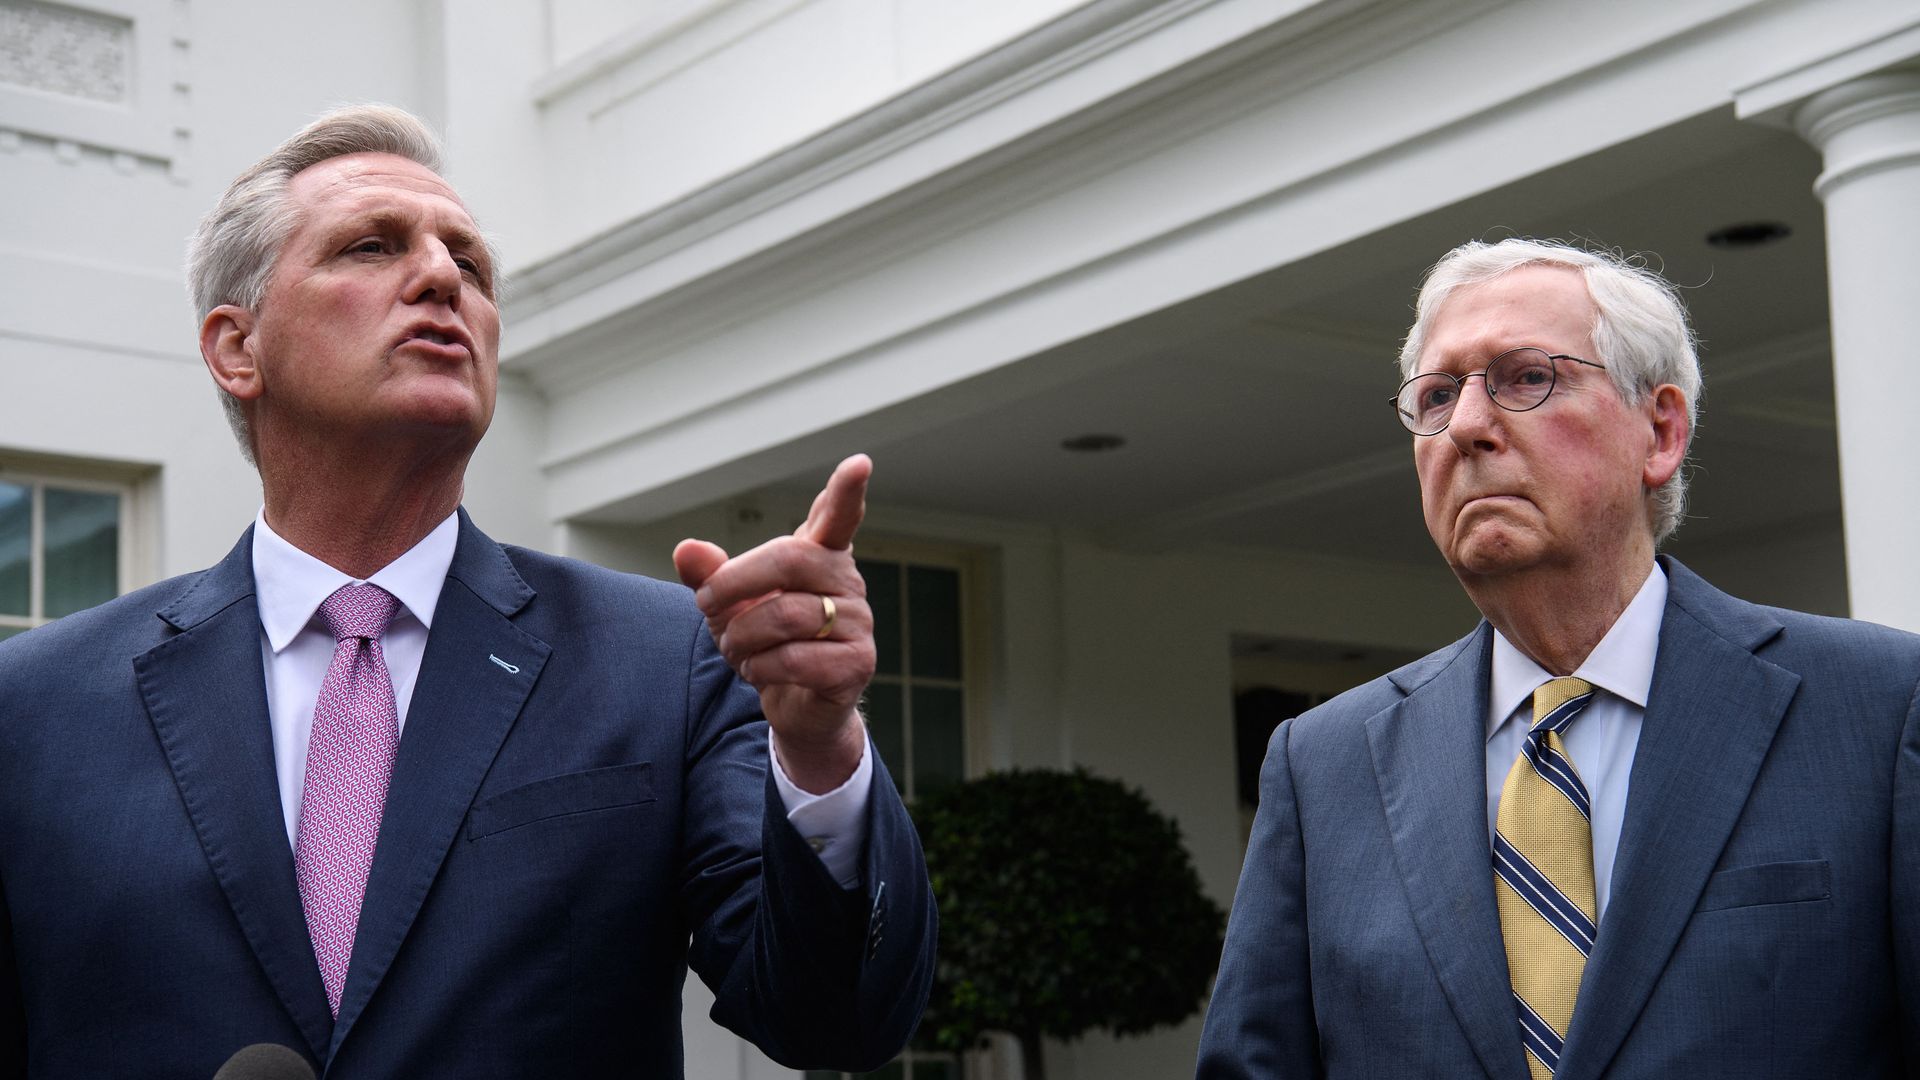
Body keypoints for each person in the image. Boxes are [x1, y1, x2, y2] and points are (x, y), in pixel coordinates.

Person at [0, 105, 935, 1079]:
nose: (444, 277)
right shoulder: (29, 709)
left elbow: (838, 1020)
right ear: (238, 349)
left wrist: (822, 749)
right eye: (370, 247)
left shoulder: (667, 660)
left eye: (472, 267)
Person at [1196, 238, 1920, 1079]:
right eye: (1435, 396)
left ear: (1660, 431)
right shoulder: (1323, 765)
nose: (1466, 425)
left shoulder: (1878, 707)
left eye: (1525, 377)